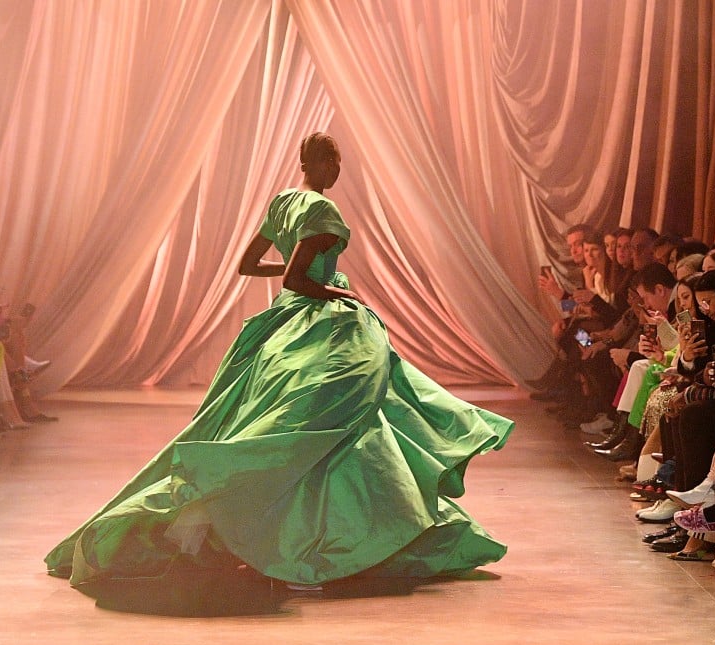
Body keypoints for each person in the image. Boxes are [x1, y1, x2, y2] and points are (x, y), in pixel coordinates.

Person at [45, 132, 515, 589]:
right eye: (336, 164)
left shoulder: (282, 203)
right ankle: (337, 536)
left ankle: (288, 525)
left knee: (298, 419)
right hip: (316, 320)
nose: (337, 173)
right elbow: (296, 281)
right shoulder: (322, 208)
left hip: (283, 324)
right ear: (324, 165)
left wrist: (305, 271)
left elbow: (251, 266)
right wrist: (335, 288)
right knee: (338, 420)